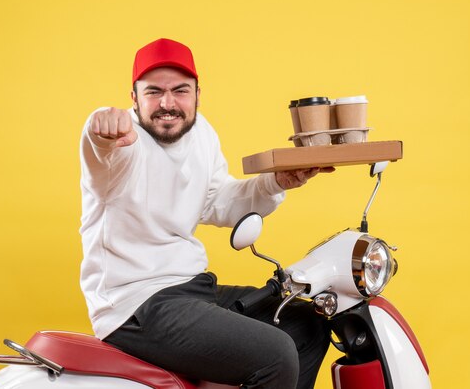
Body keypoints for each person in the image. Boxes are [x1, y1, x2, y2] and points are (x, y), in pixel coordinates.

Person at [79, 38, 332, 389]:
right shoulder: (124, 141)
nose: (168, 103)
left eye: (180, 91)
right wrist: (101, 129)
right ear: (133, 98)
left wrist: (276, 182)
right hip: (136, 305)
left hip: (189, 288)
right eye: (153, 92)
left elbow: (219, 201)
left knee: (306, 322)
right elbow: (100, 153)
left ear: (198, 93)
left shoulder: (201, 134)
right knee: (276, 354)